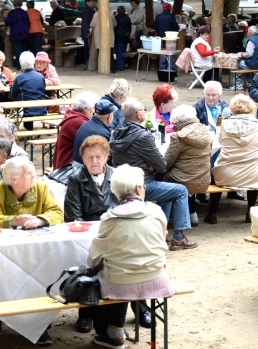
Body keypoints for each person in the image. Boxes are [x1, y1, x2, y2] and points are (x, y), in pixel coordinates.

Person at [65, 136, 154, 333]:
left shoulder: (118, 177)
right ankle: (86, 312)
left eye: (98, 156)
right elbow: (73, 215)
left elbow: (129, 206)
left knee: (131, 260)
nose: (94, 161)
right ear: (83, 159)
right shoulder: (75, 178)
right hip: (87, 233)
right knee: (88, 263)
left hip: (118, 228)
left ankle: (140, 307)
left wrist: (115, 225)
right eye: (89, 157)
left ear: (107, 156)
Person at [85, 165, 176, 348]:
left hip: (120, 284)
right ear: (138, 189)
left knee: (102, 276)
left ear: (117, 193)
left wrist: (94, 266)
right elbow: (162, 237)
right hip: (156, 277)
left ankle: (111, 331)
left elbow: (95, 256)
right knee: (124, 271)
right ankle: (117, 329)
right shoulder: (156, 211)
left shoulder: (109, 218)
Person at [0, 157, 61, 345]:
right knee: (1, 279)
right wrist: (12, 221)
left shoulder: (40, 188)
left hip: (35, 252)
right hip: (3, 253)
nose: (34, 176)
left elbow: (56, 212)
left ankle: (40, 327)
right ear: (14, 179)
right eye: (29, 173)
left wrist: (40, 220)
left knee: (40, 280)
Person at [109, 99, 197, 250]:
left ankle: (159, 235)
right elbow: (162, 165)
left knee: (169, 192)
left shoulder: (117, 131)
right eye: (144, 109)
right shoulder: (143, 136)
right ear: (138, 114)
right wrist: (150, 166)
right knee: (181, 190)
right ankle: (179, 237)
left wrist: (149, 165)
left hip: (120, 184)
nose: (145, 111)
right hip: (141, 186)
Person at [207, 95, 258, 224]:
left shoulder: (223, 124)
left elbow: (218, 142)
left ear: (232, 108)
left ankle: (212, 213)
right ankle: (250, 212)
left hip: (226, 173)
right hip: (253, 174)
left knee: (214, 173)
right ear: (251, 108)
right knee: (256, 169)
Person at [164, 104, 213, 227]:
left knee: (164, 176)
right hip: (203, 179)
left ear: (180, 121)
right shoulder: (205, 131)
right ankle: (192, 214)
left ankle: (168, 217)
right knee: (188, 173)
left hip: (183, 180)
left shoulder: (179, 137)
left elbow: (167, 163)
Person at [54, 91, 98, 169]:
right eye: (93, 108)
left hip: (66, 164)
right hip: (67, 167)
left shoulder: (74, 117)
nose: (94, 111)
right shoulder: (78, 122)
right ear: (85, 108)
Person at [10, 51, 46, 131]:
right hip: (40, 108)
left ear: (21, 63)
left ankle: (12, 131)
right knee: (29, 99)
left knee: (17, 102)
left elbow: (12, 94)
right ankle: (28, 128)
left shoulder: (20, 77)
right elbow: (43, 90)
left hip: (24, 110)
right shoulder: (40, 76)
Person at [73, 100, 115, 165]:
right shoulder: (103, 134)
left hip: (78, 167)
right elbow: (110, 160)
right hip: (87, 171)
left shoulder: (86, 125)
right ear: (109, 116)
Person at [232, 26, 258, 90]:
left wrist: (242, 54)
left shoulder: (251, 40)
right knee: (247, 65)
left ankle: (238, 84)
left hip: (255, 63)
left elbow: (249, 54)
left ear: (249, 33)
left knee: (239, 63)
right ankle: (251, 81)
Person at [89, 1, 116, 71]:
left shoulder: (96, 14)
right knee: (110, 53)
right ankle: (112, 68)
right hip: (109, 36)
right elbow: (115, 24)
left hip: (100, 36)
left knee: (100, 52)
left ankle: (101, 69)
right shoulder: (110, 13)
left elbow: (92, 24)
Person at [5, 0, 31, 69]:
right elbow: (28, 23)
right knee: (24, 50)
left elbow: (8, 22)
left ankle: (20, 66)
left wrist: (5, 19)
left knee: (18, 50)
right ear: (21, 4)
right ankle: (26, 66)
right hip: (25, 33)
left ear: (14, 5)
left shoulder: (12, 13)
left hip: (16, 34)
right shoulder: (24, 12)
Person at [112, 5, 132, 72]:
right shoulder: (127, 18)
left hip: (119, 37)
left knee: (119, 52)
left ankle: (121, 66)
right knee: (123, 51)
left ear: (118, 11)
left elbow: (114, 27)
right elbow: (130, 28)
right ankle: (123, 63)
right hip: (126, 36)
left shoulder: (116, 18)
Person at [82, 0, 97, 66]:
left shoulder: (91, 10)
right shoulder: (86, 11)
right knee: (86, 48)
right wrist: (86, 33)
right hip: (87, 31)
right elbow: (85, 22)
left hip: (91, 31)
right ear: (87, 2)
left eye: (93, 2)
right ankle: (86, 61)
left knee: (89, 47)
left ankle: (88, 61)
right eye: (91, 2)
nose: (92, 4)